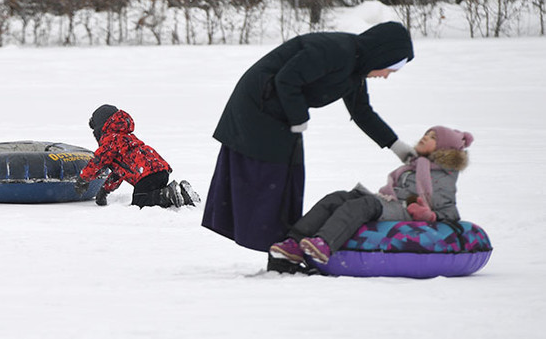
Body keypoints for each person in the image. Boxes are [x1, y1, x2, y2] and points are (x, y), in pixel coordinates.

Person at [202, 21, 416, 258]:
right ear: (381, 55)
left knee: (288, 176)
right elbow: (287, 78)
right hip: (258, 106)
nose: (386, 76)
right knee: (271, 175)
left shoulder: (355, 69)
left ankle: (283, 248)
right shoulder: (337, 50)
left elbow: (361, 112)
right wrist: (298, 117)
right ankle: (279, 249)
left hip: (277, 110)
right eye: (390, 69)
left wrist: (398, 147)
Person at [270, 125, 473, 266]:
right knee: (338, 198)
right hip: (393, 202)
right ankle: (294, 243)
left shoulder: (444, 174)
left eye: (433, 137)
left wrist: (427, 214)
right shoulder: (416, 165)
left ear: (445, 149)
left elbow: (446, 208)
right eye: (427, 133)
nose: (425, 137)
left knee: (363, 205)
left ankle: (325, 244)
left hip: (406, 210)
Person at [75, 104, 200, 208]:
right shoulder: (126, 137)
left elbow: (98, 162)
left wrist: (83, 179)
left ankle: (166, 194)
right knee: (154, 194)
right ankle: (182, 193)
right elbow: (119, 173)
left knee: (141, 201)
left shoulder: (110, 140)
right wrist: (105, 190)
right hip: (160, 170)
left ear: (101, 126)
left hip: (145, 175)